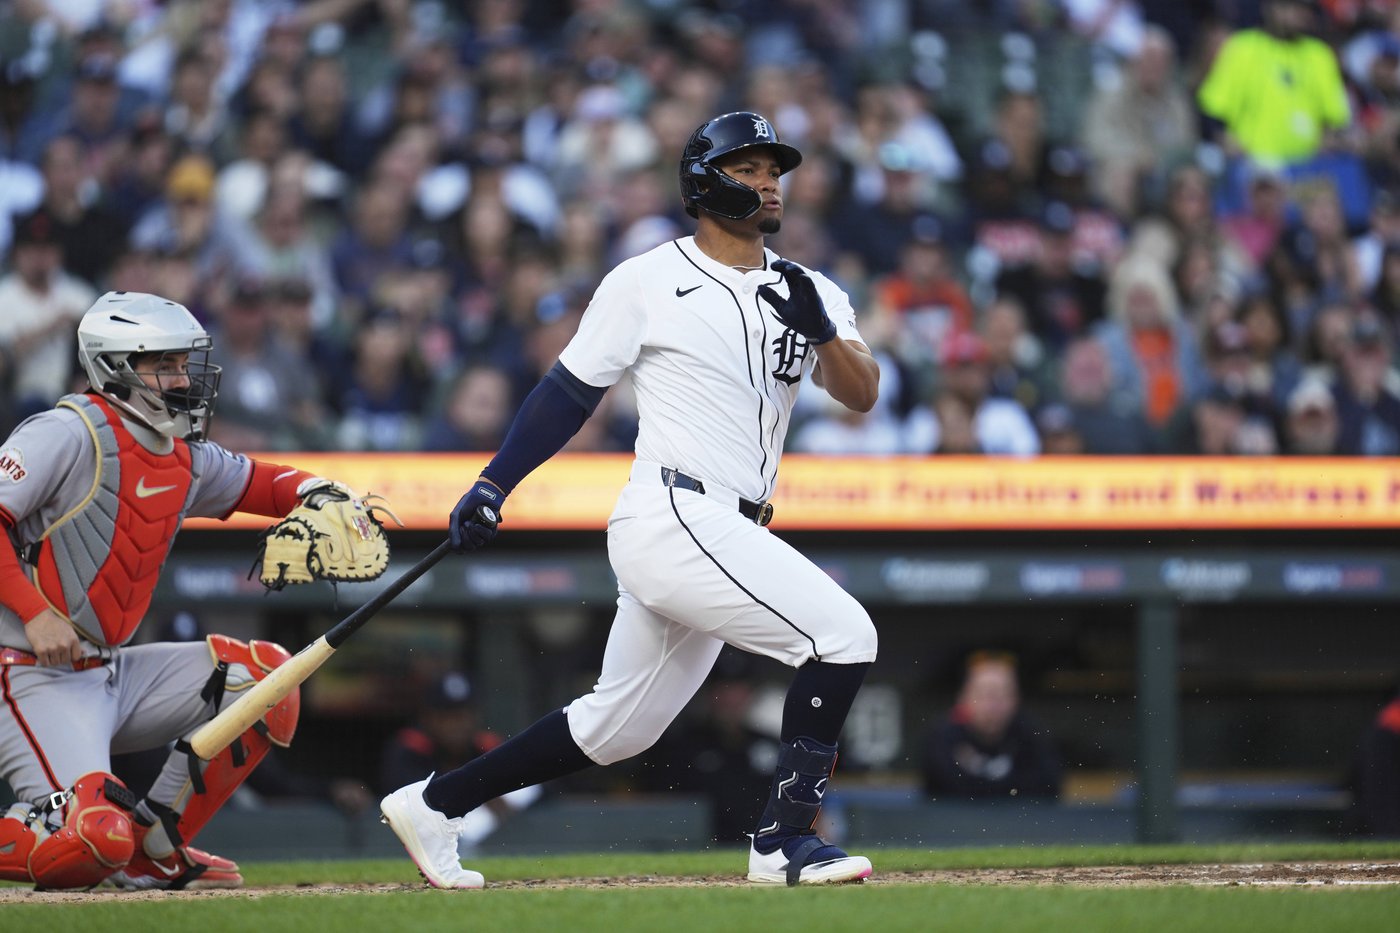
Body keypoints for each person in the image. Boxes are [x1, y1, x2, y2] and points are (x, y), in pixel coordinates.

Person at [379, 111, 881, 889]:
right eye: (749, 168)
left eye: (774, 169)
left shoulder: (811, 289)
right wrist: (492, 482)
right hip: (675, 510)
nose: (770, 181)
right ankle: (783, 839)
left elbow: (862, 394)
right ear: (707, 182)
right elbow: (568, 392)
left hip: (726, 523)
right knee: (843, 635)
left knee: (615, 727)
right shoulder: (647, 278)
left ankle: (433, 804)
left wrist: (824, 335)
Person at [0, 291, 373, 891]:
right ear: (117, 367)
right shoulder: (64, 432)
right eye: (165, 365)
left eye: (183, 363)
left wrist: (324, 493)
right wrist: (33, 613)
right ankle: (92, 835)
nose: (181, 378)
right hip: (27, 674)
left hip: (109, 671)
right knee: (95, 840)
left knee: (267, 680)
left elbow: (261, 482)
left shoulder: (183, 455)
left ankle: (157, 848)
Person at [921, 651, 1062, 801]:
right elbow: (945, 787)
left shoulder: (1031, 736)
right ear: (964, 698)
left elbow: (1048, 787)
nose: (993, 706)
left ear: (1016, 700)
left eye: (1002, 694)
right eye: (985, 695)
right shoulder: (942, 737)